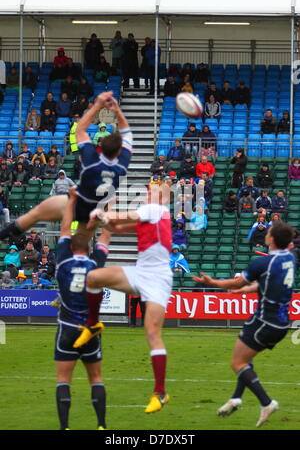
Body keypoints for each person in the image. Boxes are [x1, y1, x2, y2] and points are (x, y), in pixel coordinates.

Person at [74, 183, 172, 414]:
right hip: (141, 272)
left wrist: (103, 214)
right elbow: (118, 228)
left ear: (164, 198)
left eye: (154, 191)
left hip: (158, 279)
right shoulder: (150, 215)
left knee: (152, 333)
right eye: (148, 191)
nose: (149, 193)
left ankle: (160, 393)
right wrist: (105, 221)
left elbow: (126, 215)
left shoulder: (158, 210)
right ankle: (93, 324)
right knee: (94, 278)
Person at [192, 222, 296, 427]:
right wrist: (245, 291)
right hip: (282, 323)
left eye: (268, 232)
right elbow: (264, 281)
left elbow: (236, 282)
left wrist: (212, 283)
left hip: (264, 320)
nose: (266, 234)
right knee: (246, 357)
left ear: (272, 239)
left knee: (237, 363)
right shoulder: (290, 258)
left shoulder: (261, 263)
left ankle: (266, 402)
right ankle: (236, 398)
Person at [0, 92, 132, 246]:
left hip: (75, 203)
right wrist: (117, 111)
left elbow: (79, 130)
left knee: (34, 215)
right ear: (119, 152)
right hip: (94, 211)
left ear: (100, 147)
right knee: (82, 248)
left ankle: (2, 235)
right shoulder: (121, 165)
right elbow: (127, 134)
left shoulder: (92, 158)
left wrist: (97, 105)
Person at [54, 190, 109, 430]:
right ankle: (101, 425)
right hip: (89, 328)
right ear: (88, 249)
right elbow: (106, 238)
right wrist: (106, 212)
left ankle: (64, 426)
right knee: (95, 378)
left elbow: (65, 229)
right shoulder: (96, 263)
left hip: (66, 328)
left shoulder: (63, 260)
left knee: (63, 379)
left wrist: (73, 199)